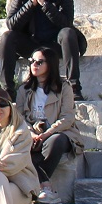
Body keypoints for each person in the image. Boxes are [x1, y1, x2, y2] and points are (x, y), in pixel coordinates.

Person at [0, 0, 86, 96]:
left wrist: (45, 5)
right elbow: (11, 24)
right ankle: (7, 90)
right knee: (7, 36)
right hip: (33, 45)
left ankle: (74, 87)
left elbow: (66, 22)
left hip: (56, 45)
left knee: (68, 33)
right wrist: (30, 4)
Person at [17, 48, 75, 184]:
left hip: (58, 132)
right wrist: (31, 132)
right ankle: (43, 184)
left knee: (55, 141)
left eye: (39, 62)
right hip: (31, 132)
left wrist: (47, 134)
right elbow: (19, 117)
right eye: (32, 61)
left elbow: (67, 118)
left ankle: (39, 182)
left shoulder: (64, 87)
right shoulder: (23, 89)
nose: (34, 65)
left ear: (50, 64)